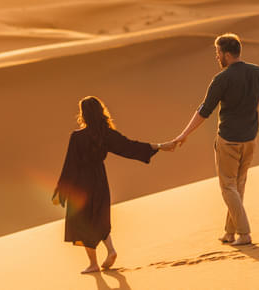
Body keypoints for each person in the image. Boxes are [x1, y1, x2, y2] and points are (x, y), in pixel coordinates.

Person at [171, 33, 259, 246]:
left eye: (218, 52)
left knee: (228, 187)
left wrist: (184, 134)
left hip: (229, 140)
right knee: (237, 186)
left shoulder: (222, 79)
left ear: (227, 54)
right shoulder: (257, 72)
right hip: (250, 139)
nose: (216, 56)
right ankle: (230, 233)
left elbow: (204, 110)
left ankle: (244, 232)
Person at [53, 96, 176, 273]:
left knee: (83, 222)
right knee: (98, 216)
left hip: (81, 183)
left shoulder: (77, 137)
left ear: (84, 115)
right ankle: (110, 250)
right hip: (100, 179)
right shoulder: (106, 134)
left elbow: (70, 165)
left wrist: (62, 189)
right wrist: (159, 146)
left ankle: (93, 263)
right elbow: (130, 147)